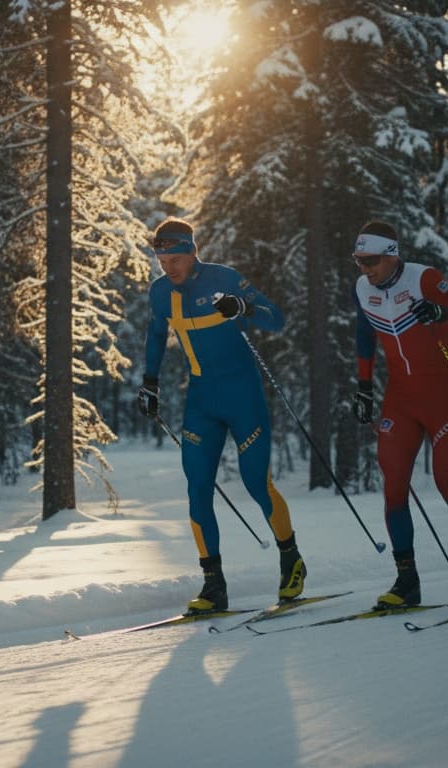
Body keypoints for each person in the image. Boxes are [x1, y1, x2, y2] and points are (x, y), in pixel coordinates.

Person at [138, 217, 306, 613]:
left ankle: (291, 560)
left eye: (175, 260)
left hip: (243, 396)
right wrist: (150, 383)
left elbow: (275, 318)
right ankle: (213, 586)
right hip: (201, 401)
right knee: (198, 489)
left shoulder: (223, 278)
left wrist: (243, 307)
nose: (169, 268)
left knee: (256, 483)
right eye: (162, 262)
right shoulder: (161, 293)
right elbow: (157, 335)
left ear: (192, 252)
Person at [348, 219, 448, 608]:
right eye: (358, 260)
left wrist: (441, 313)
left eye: (371, 261)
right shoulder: (362, 289)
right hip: (400, 401)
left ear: (391, 255)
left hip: (441, 398)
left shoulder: (424, 279)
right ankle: (407, 583)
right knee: (393, 488)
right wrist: (364, 387)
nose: (365, 268)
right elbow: (365, 335)